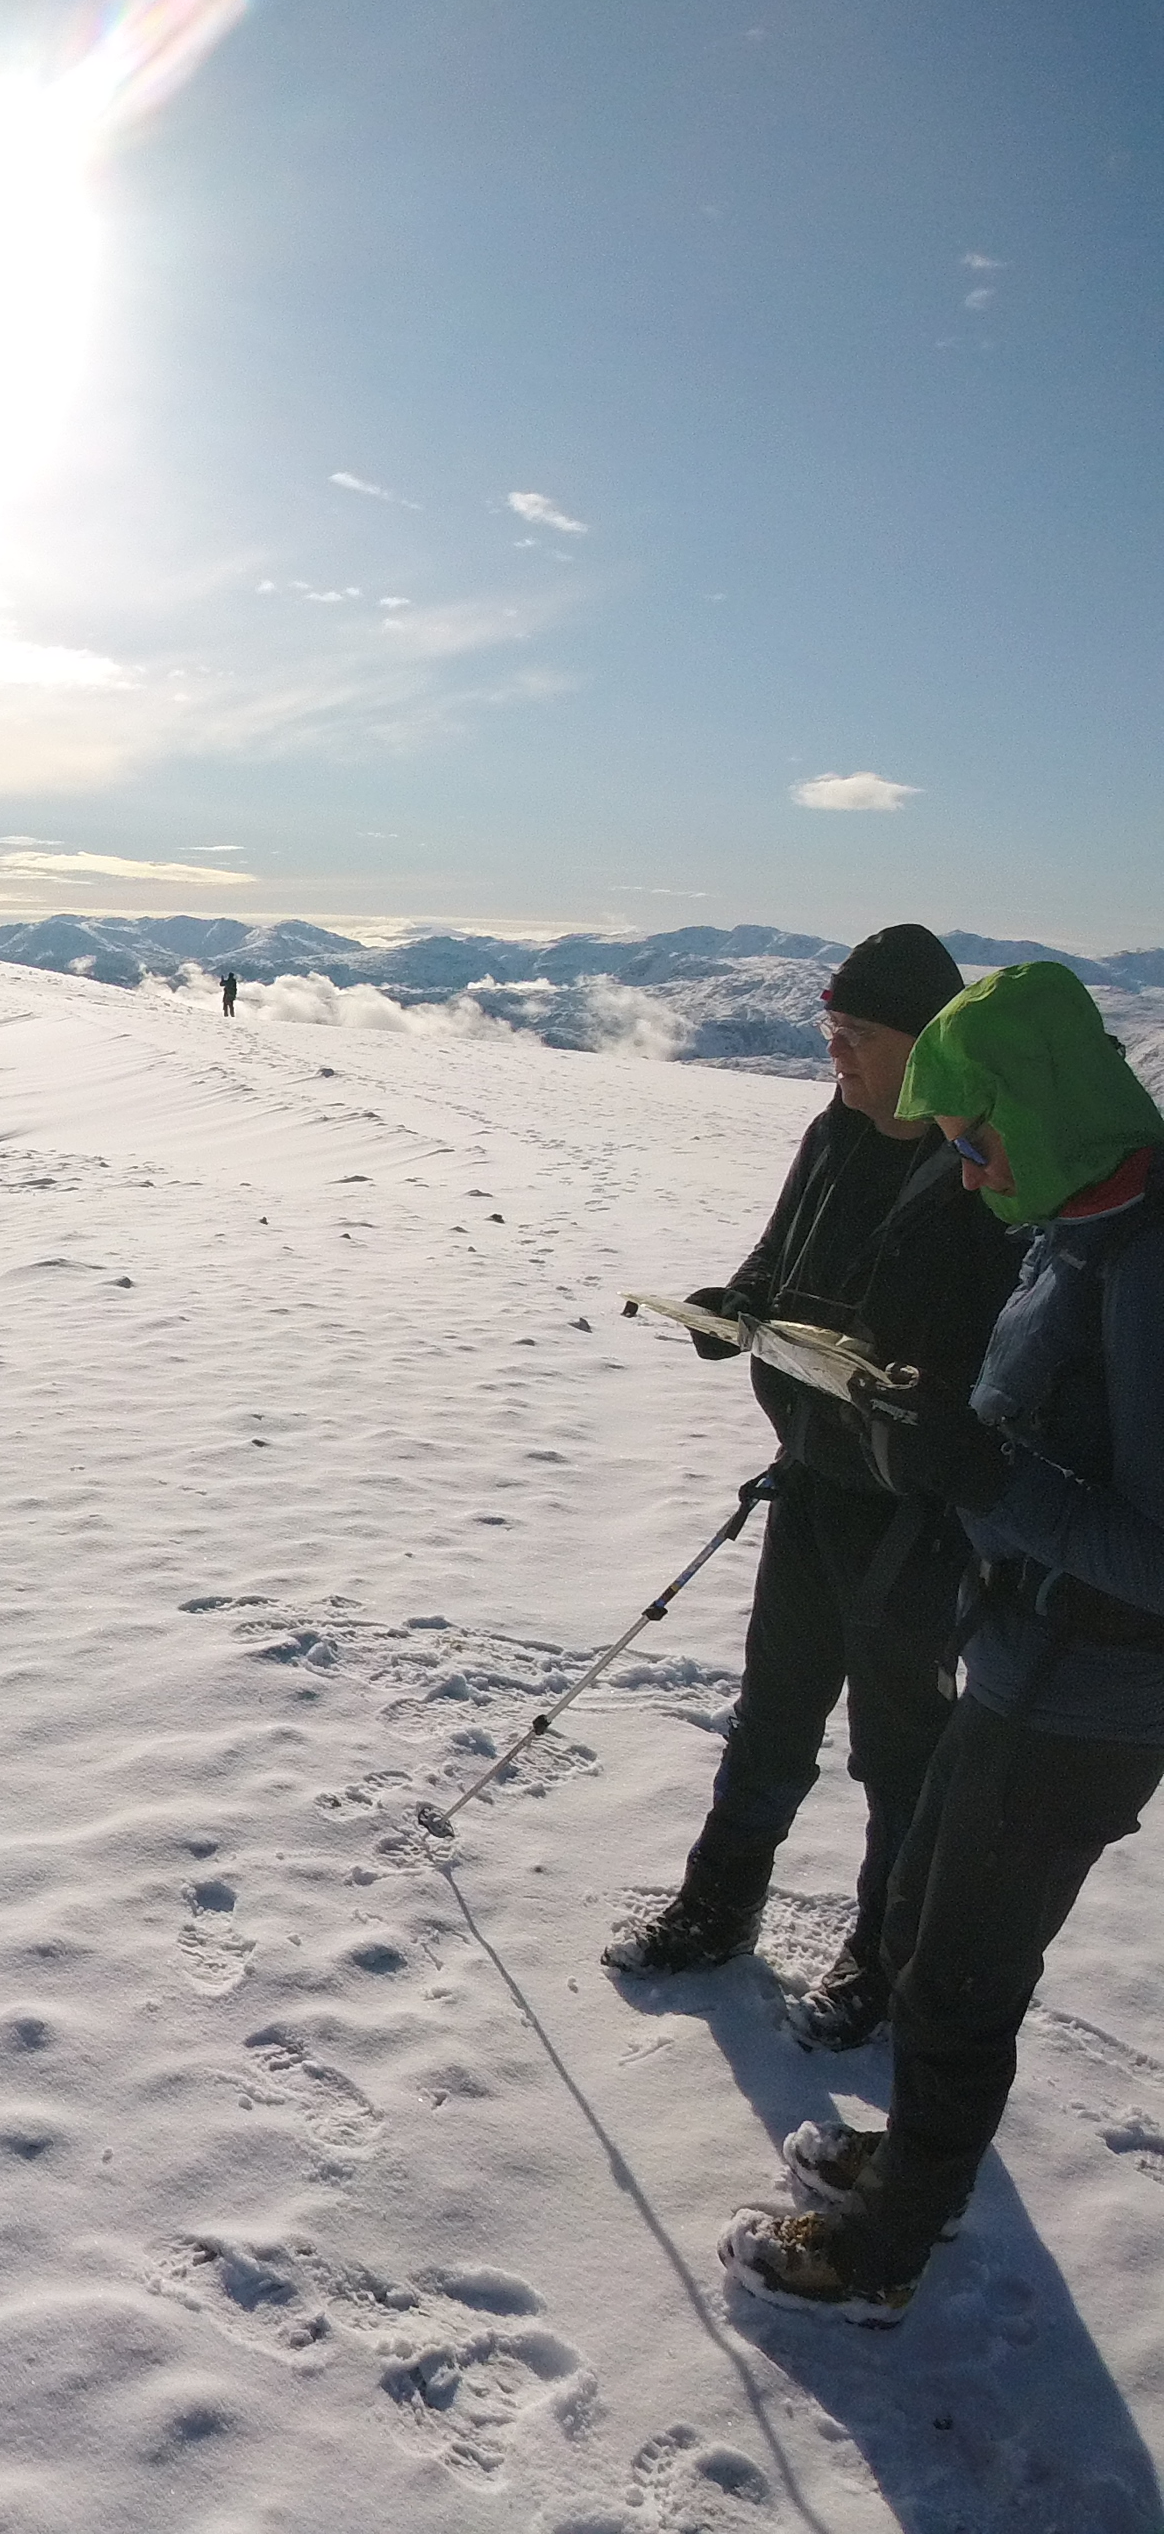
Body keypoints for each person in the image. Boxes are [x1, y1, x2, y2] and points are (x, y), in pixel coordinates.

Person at [725, 960, 1164, 2321]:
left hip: (1092, 1695)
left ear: (1042, 1109)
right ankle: (918, 2162)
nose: (968, 1172)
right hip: (1023, 1654)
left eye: (977, 1141)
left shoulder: (1148, 1268)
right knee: (923, 1928)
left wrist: (982, 1472)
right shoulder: (1080, 1224)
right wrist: (940, 1421)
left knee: (963, 1972)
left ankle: (884, 2250)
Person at [603, 926, 1020, 2050]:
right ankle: (717, 1908)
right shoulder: (834, 1130)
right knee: (774, 1714)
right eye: (830, 1029)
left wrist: (924, 1406)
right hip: (815, 1476)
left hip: (917, 1516)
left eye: (855, 1034)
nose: (835, 1051)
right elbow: (776, 1259)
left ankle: (885, 1962)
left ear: (924, 1045)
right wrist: (732, 1310)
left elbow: (1004, 1352)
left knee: (901, 1749)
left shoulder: (981, 1167)